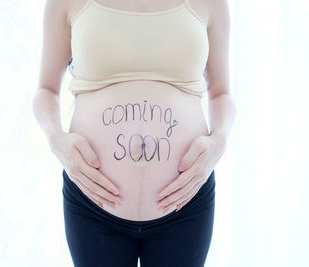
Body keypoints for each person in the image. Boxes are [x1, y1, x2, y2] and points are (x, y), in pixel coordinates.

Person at [32, 0, 235, 266]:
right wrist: (57, 140)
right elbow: (46, 91)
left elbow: (221, 93)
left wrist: (218, 142)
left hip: (185, 204)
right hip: (94, 204)